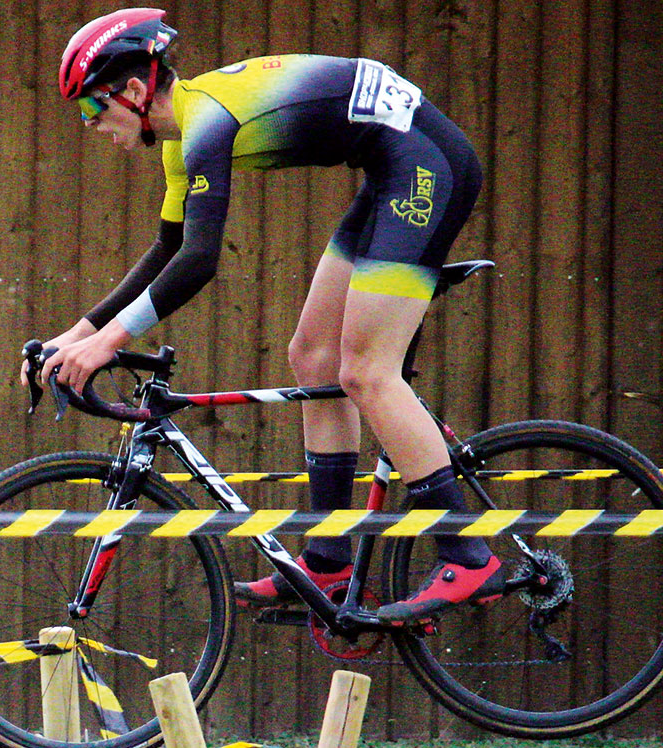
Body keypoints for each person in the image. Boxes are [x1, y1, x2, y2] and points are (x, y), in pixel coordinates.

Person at [29, 7, 506, 625]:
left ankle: (468, 557)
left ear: (136, 91)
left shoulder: (205, 121)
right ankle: (329, 559)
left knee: (367, 372)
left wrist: (106, 344)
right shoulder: (184, 140)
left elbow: (201, 262)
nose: (92, 126)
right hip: (392, 167)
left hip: (424, 166)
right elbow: (169, 250)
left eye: (93, 109)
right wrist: (76, 336)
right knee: (312, 356)